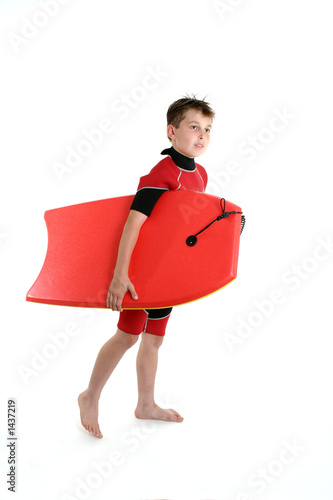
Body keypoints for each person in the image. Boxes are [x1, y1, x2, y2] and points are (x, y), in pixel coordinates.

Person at [78, 96, 215, 438]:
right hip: (142, 273)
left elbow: (182, 231)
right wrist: (120, 275)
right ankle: (89, 395)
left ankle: (146, 404)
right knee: (127, 335)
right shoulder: (161, 174)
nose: (201, 135)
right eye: (193, 127)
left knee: (154, 339)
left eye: (208, 129)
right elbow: (133, 224)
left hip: (168, 274)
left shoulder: (201, 175)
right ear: (172, 132)